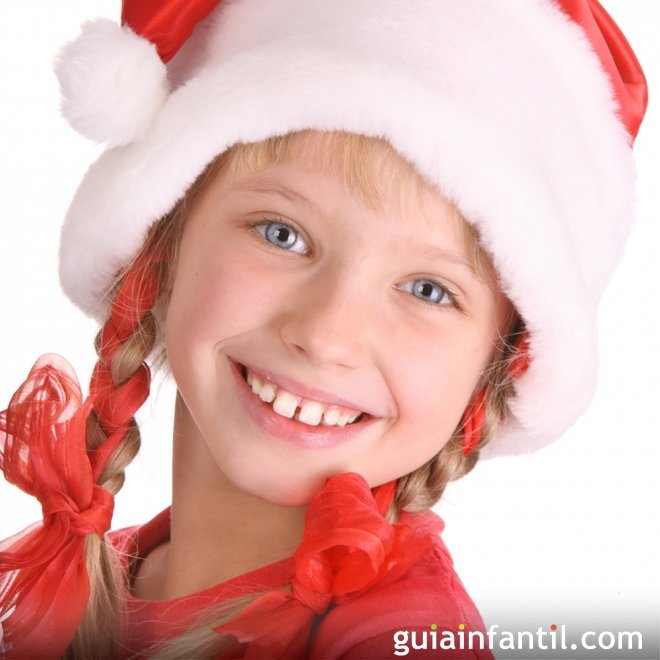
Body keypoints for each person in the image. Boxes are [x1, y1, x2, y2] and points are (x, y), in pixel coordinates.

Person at [0, 1, 650, 658]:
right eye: (282, 234)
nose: (327, 335)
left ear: (494, 368)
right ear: (161, 244)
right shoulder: (89, 584)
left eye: (428, 289)